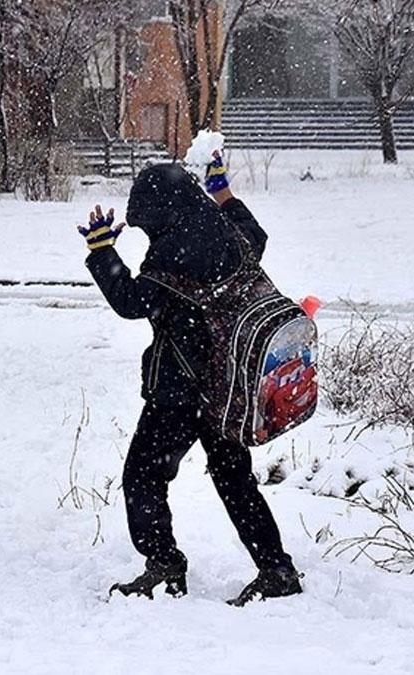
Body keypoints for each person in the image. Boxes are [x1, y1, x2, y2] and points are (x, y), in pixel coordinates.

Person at [79, 154, 302, 607]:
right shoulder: (229, 235)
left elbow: (132, 301)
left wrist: (102, 251)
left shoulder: (173, 253)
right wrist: (222, 190)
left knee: (142, 476)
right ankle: (276, 569)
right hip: (227, 388)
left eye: (148, 224)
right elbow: (255, 232)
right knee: (235, 480)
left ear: (163, 212)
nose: (147, 234)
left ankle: (163, 567)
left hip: (180, 392)